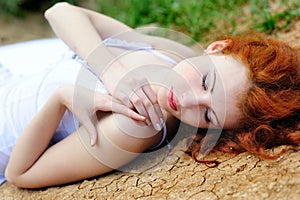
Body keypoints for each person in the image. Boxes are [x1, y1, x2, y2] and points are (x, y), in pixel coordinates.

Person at [0, 2, 299, 188]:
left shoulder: (139, 123)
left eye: (208, 114)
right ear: (216, 47)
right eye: (207, 82)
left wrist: (62, 98)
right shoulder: (175, 55)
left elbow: (20, 173)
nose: (187, 100)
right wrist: (111, 70)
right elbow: (60, 11)